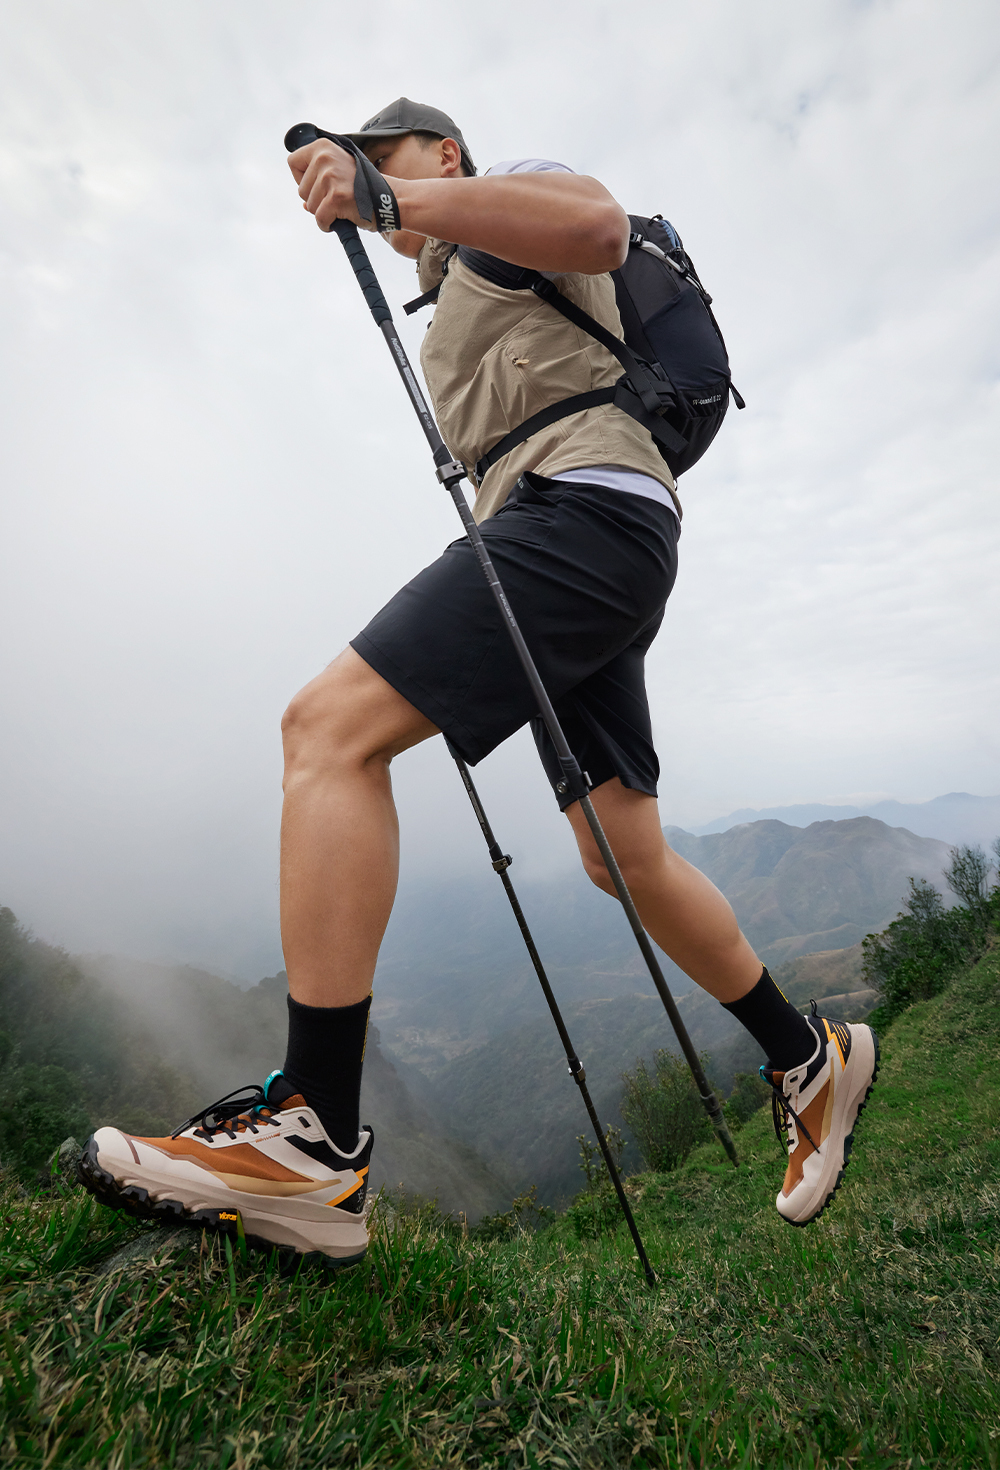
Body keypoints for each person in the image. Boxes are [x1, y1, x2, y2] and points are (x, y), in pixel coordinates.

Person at [78, 99, 878, 1258]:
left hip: (581, 511)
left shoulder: (506, 199)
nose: (368, 174)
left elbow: (596, 225)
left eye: (384, 152)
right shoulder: (456, 275)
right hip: (594, 528)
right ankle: (810, 1057)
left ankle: (313, 1140)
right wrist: (400, 214)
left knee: (326, 731)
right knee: (618, 854)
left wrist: (392, 197)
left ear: (442, 152)